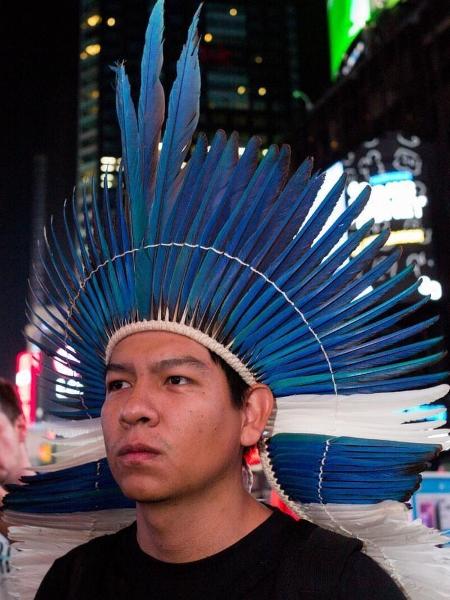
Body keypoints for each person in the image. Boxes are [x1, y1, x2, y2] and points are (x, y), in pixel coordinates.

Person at [6, 1, 449, 598]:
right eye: (117, 384)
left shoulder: (337, 584)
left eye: (176, 380)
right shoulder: (73, 582)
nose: (135, 408)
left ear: (253, 414)